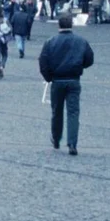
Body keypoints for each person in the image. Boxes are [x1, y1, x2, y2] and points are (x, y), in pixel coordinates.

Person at [37, 14, 94, 155]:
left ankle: (56, 138)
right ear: (71, 25)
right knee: (73, 112)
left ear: (59, 25)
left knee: (57, 111)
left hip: (57, 80)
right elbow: (89, 59)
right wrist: (80, 66)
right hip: (74, 79)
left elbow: (43, 61)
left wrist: (48, 77)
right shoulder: (81, 41)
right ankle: (72, 143)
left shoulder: (51, 42)